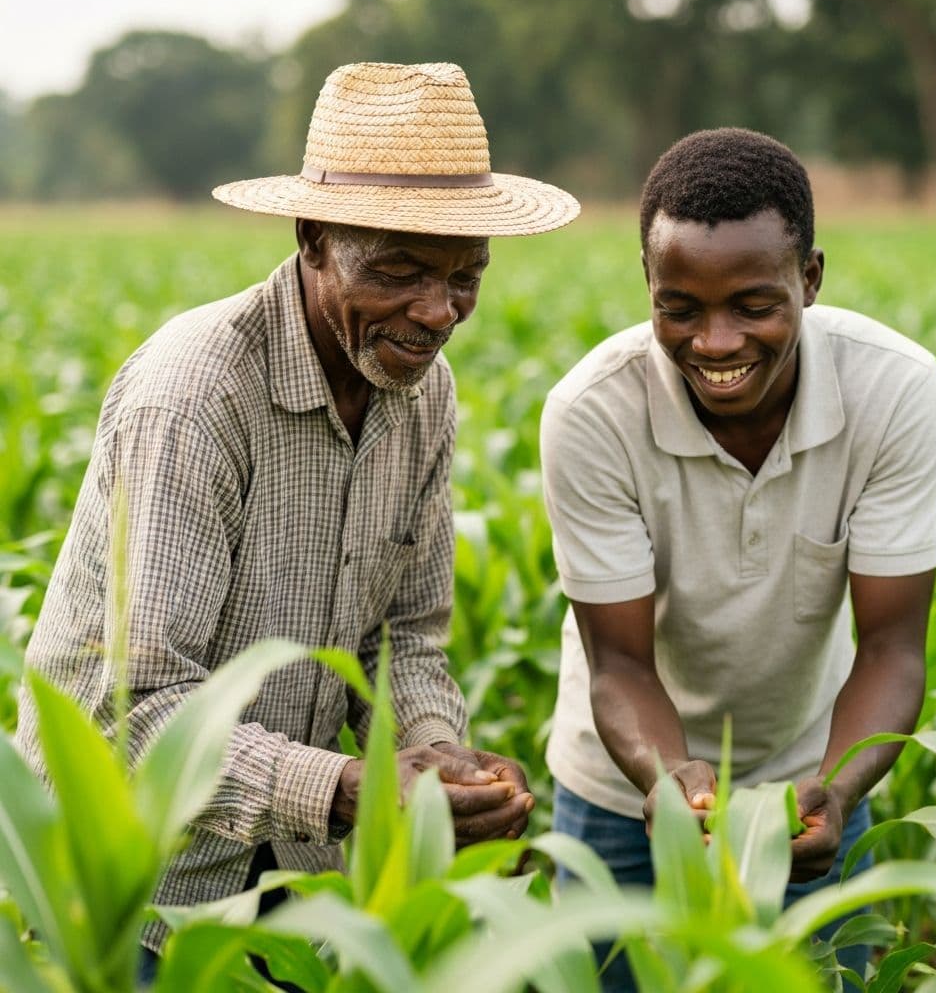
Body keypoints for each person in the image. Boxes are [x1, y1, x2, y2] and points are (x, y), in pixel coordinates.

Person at [14, 61, 579, 973]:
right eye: (399, 272)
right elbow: (137, 713)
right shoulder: (198, 396)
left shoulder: (422, 392)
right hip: (133, 889)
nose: (438, 314)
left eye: (465, 277)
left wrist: (439, 762)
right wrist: (355, 789)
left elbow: (409, 641)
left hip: (297, 881)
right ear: (314, 239)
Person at [540, 127, 936, 990]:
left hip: (814, 781)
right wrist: (665, 777)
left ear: (811, 279)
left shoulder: (895, 390)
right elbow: (617, 662)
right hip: (625, 796)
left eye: (754, 305)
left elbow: (891, 648)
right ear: (648, 289)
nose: (715, 343)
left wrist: (835, 791)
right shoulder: (591, 412)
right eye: (679, 308)